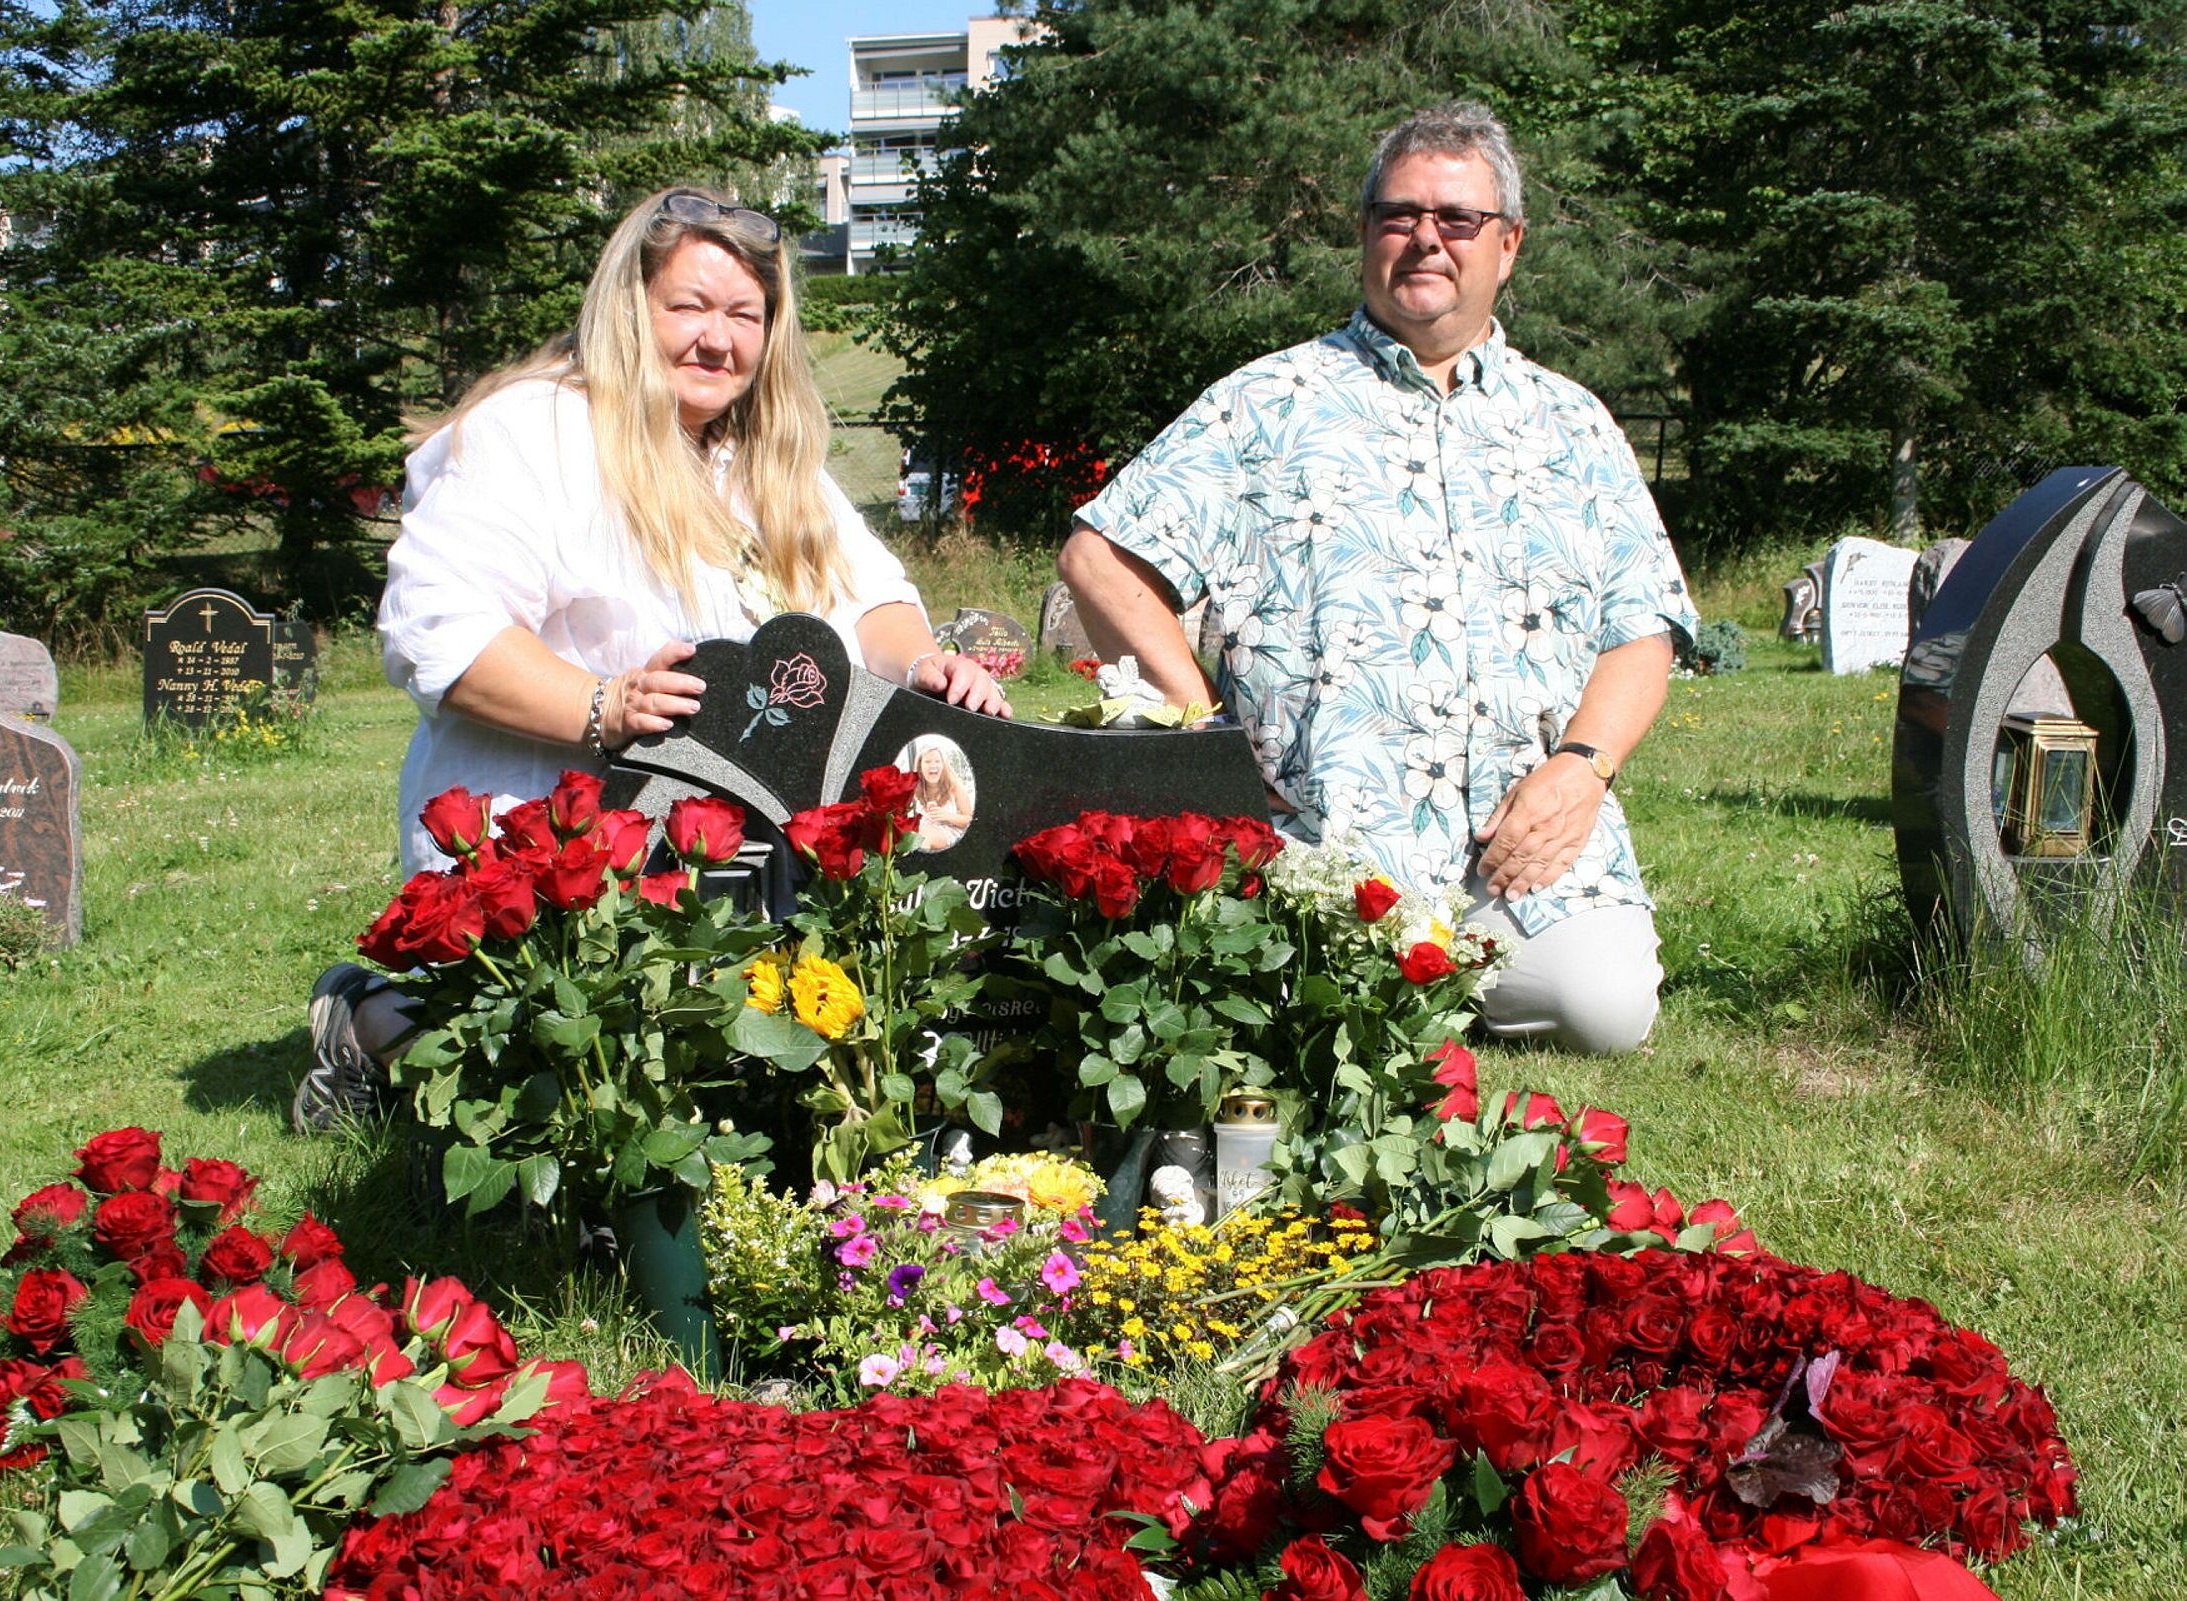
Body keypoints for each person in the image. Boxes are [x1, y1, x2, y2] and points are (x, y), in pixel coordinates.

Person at [296, 184, 1011, 1132]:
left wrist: (925, 666)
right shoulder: (534, 433)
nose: (718, 339)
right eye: (690, 306)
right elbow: (440, 631)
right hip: (556, 828)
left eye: (744, 316)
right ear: (631, 309)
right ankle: (365, 1019)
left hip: (735, 849)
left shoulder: (763, 460)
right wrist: (601, 703)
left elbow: (868, 595)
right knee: (552, 1073)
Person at [1057, 103, 1697, 1054]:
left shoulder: (1574, 426)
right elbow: (1095, 557)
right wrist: (1207, 736)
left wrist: (1584, 767)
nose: (1426, 239)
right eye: (1399, 215)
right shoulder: (1265, 404)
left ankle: (1437, 982)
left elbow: (1644, 625)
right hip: (1330, 849)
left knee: (1603, 1006)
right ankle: (1389, 983)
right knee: (1305, 1009)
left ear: (1509, 245)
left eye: (1458, 219)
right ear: (1364, 233)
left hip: (1521, 852)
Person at [908, 737, 976, 851]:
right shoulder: (918, 789)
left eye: (937, 761)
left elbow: (969, 820)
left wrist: (946, 816)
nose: (933, 765)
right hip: (927, 827)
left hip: (950, 830)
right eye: (928, 761)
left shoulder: (954, 787)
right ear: (920, 767)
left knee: (922, 836)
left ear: (943, 765)